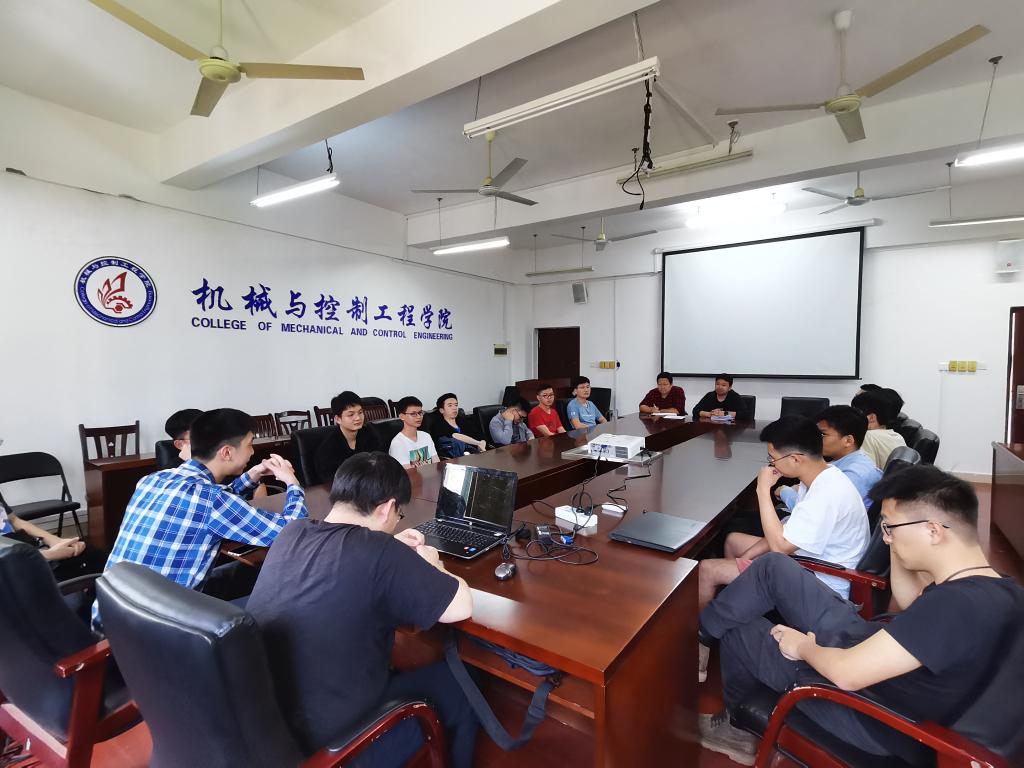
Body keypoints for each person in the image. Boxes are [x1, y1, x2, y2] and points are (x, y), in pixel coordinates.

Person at [696, 465, 1024, 766]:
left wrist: (803, 647)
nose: (885, 537)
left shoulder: (955, 606)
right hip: (876, 657)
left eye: (890, 527)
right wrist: (898, 540)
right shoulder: (999, 589)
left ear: (933, 531)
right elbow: (910, 601)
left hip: (870, 712)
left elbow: (847, 675)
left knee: (741, 629)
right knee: (774, 567)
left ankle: (737, 733)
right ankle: (702, 635)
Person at [247, 452, 477, 767]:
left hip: (275, 730)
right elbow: (459, 606)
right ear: (386, 508)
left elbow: (347, 552)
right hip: (340, 748)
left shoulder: (292, 532)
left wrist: (391, 546)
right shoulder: (378, 552)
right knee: (463, 682)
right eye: (398, 514)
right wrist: (433, 564)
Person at [92, 408, 306, 626]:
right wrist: (292, 483)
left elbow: (215, 502)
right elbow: (292, 532)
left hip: (111, 615)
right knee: (283, 593)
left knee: (244, 574)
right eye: (250, 444)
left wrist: (253, 474)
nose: (252, 452)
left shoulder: (152, 479)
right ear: (226, 452)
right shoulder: (212, 500)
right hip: (157, 630)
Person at [698, 416, 869, 681]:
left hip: (822, 583)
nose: (771, 465)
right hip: (805, 560)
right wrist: (745, 560)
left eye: (773, 458)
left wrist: (762, 490)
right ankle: (737, 611)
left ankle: (701, 648)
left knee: (707, 570)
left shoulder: (826, 494)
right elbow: (786, 529)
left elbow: (779, 547)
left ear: (795, 459)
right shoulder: (819, 477)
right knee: (733, 541)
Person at [777, 405, 882, 512]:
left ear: (848, 441)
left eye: (822, 434)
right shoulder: (843, 460)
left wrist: (784, 492)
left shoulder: (854, 475)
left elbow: (816, 511)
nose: (814, 439)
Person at [313, 391, 381, 485]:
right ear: (338, 419)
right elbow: (332, 481)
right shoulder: (328, 448)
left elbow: (379, 463)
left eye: (360, 412)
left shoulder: (368, 434)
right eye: (351, 415)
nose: (358, 418)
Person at [852, 390, 907, 469]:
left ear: (871, 418)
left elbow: (863, 470)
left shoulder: (868, 437)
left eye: (856, 414)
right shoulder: (897, 436)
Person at [429, 393, 486, 458]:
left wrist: (481, 445)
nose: (454, 408)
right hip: (456, 459)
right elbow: (454, 436)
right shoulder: (438, 425)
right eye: (450, 405)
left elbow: (481, 436)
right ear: (442, 410)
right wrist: (478, 443)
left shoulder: (463, 421)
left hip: (476, 455)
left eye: (456, 405)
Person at [389, 396, 438, 468]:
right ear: (402, 416)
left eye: (420, 413)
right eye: (413, 414)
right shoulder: (398, 443)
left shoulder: (426, 436)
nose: (419, 417)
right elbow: (407, 472)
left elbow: (436, 462)